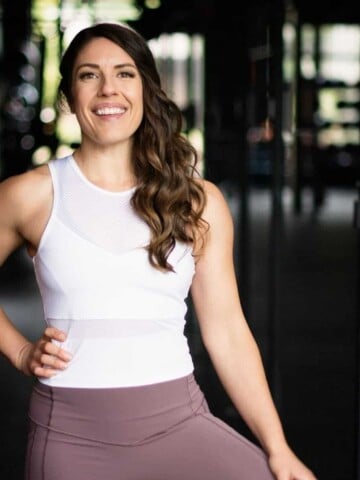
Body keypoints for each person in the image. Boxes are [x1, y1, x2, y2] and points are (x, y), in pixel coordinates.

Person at [0, 22, 317, 480]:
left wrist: (278, 447)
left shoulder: (197, 201)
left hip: (178, 424)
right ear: (69, 96)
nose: (109, 88)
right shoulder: (30, 195)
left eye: (125, 73)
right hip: (71, 437)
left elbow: (226, 330)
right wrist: (19, 353)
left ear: (147, 89)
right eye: (89, 75)